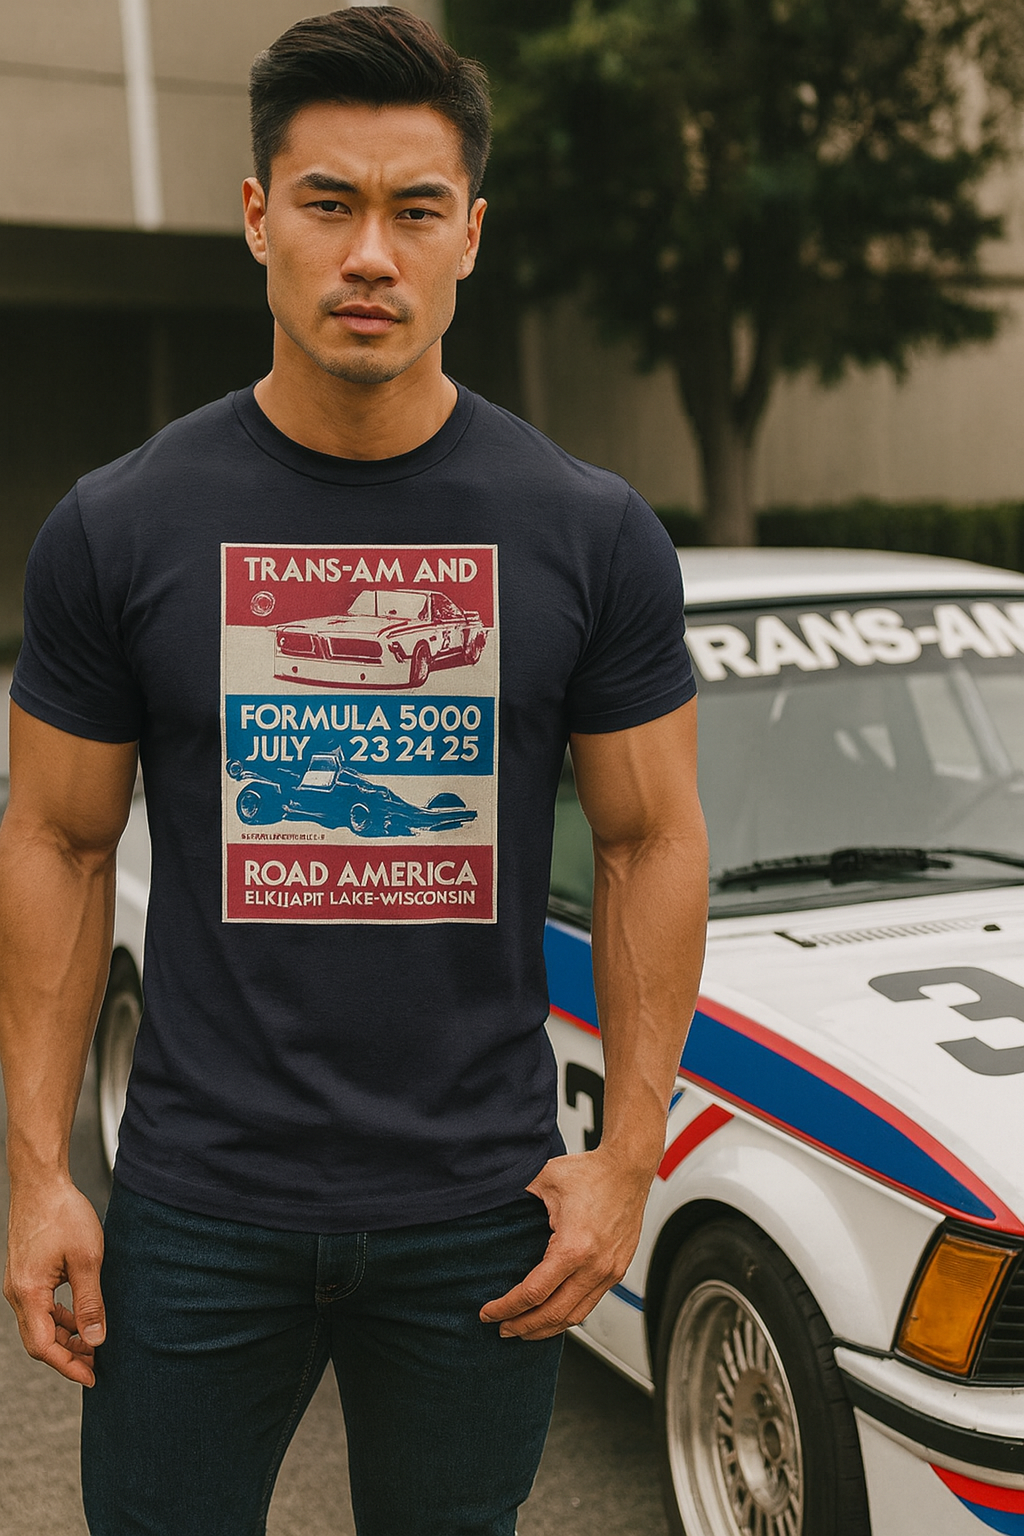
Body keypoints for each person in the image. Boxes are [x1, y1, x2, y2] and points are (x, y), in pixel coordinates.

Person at [0, 8, 708, 1534]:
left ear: (471, 236)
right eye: (329, 203)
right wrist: (41, 1174)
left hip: (481, 1210)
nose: (370, 253)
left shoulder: (587, 531)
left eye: (415, 210)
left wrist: (627, 1160)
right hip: (197, 1205)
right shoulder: (119, 527)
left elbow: (652, 839)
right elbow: (56, 839)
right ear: (260, 218)